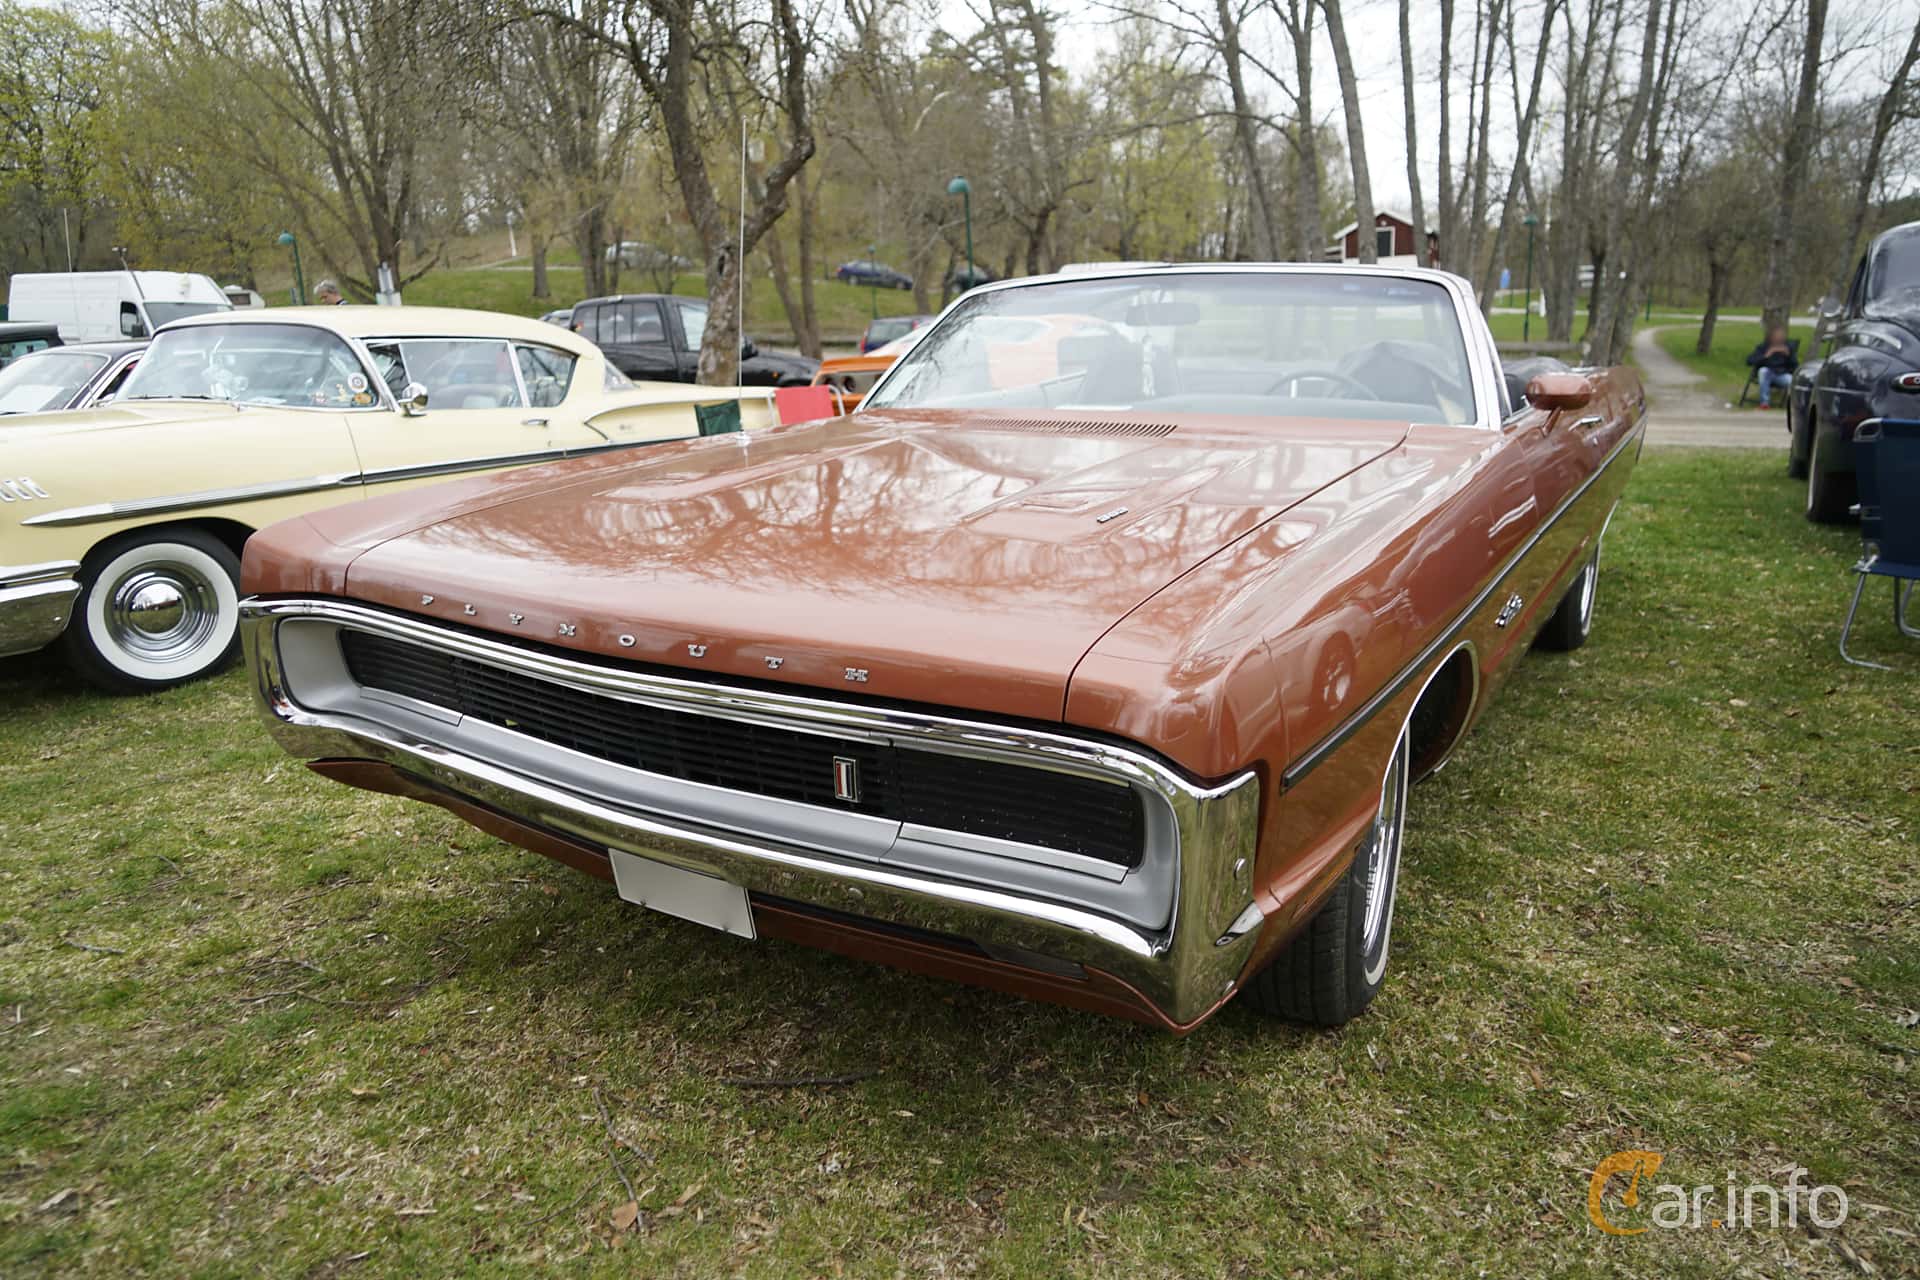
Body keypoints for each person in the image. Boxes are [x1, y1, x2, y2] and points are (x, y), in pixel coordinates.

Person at [1746, 325, 1797, 409]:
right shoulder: (1763, 347)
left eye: (1781, 336)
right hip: (1767, 373)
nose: (1778, 338)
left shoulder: (1788, 348)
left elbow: (1795, 366)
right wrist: (1766, 355)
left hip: (1781, 374)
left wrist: (1789, 356)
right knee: (1763, 371)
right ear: (1771, 337)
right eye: (1776, 336)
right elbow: (1749, 361)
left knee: (1792, 380)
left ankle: (1792, 405)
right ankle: (1764, 403)